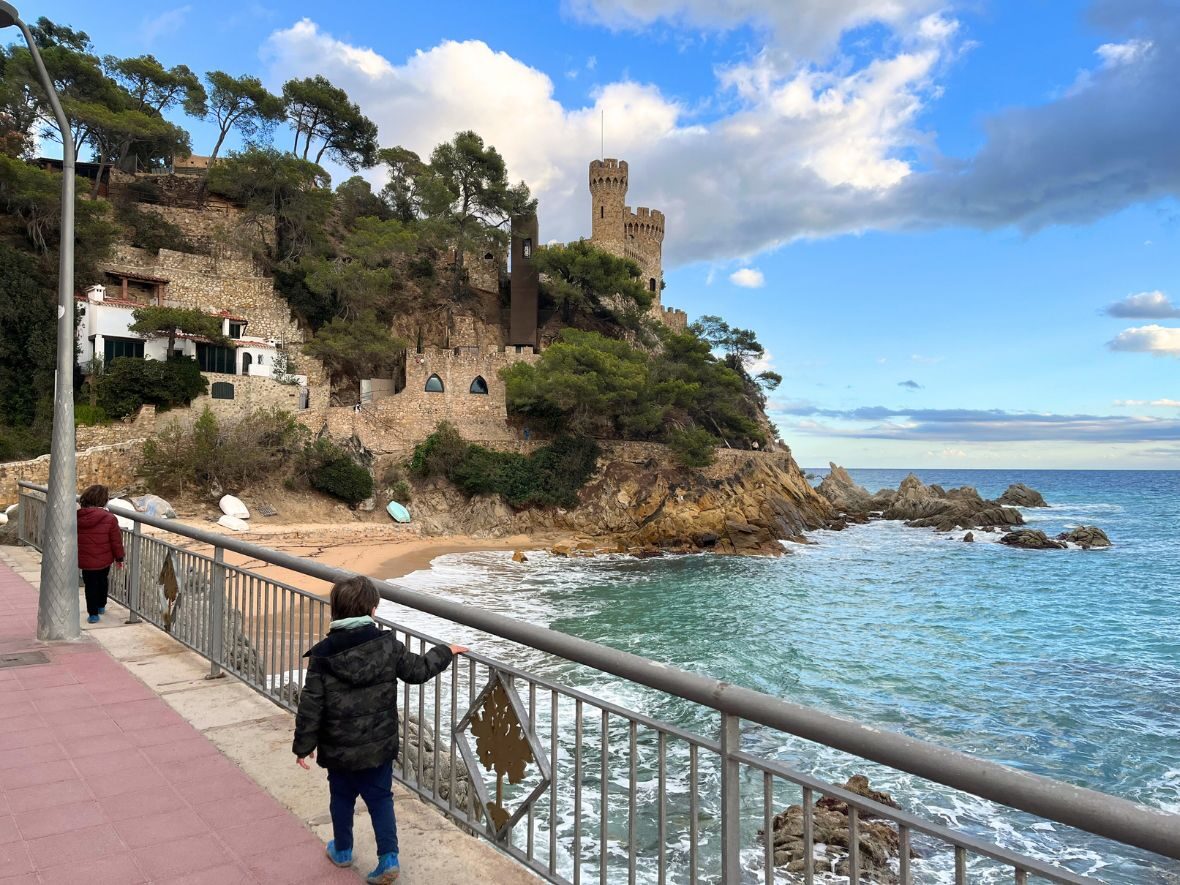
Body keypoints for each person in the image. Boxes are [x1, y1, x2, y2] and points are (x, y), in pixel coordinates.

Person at [293, 576, 468, 884]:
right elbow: (418, 670)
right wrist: (445, 652)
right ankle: (388, 857)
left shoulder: (322, 656)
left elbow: (311, 706)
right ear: (373, 610)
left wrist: (303, 746)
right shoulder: (388, 646)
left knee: (341, 798)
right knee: (380, 800)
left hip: (338, 749)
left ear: (335, 612)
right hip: (377, 748)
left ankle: (343, 850)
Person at [76, 484, 124, 624]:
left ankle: (93, 614)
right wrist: (119, 557)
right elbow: (116, 541)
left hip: (85, 559)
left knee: (89, 585)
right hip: (104, 559)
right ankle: (101, 605)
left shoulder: (77, 516)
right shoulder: (110, 518)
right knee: (103, 581)